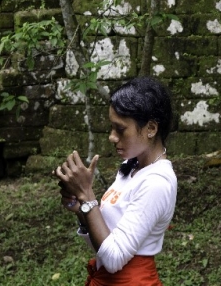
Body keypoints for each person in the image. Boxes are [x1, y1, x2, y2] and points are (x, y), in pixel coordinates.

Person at [54, 76, 177, 286]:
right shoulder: (132, 167)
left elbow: (113, 259)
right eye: (112, 128)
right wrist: (80, 207)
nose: (112, 137)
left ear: (151, 128)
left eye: (120, 129)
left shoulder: (157, 182)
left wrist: (87, 195)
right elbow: (105, 246)